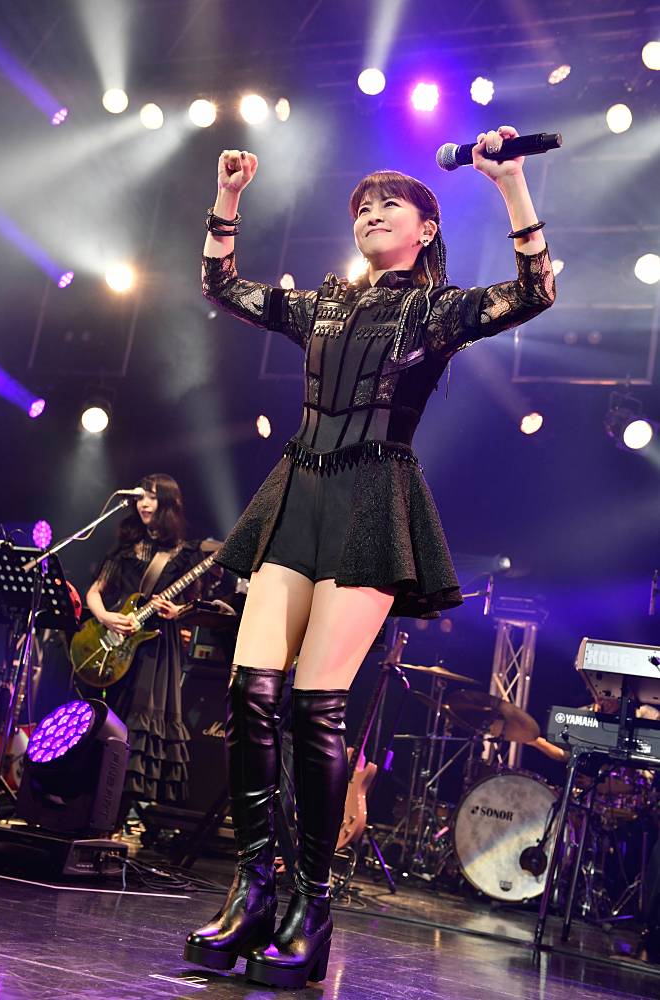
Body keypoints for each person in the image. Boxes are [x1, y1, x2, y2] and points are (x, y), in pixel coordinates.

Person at [184, 126, 556, 988]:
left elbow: (535, 291)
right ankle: (253, 888)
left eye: (391, 204)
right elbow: (221, 284)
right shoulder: (323, 303)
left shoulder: (436, 310)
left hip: (371, 502)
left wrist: (510, 185)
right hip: (297, 492)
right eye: (361, 206)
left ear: (426, 229)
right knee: (250, 693)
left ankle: (311, 907)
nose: (372, 213)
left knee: (316, 708)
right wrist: (229, 198)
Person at [85, 473, 206, 825]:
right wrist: (106, 617)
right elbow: (94, 591)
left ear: (167, 502)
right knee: (108, 716)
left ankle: (120, 815)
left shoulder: (186, 553)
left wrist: (178, 611)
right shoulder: (126, 547)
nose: (143, 502)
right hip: (116, 641)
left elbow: (196, 604)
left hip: (157, 647)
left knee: (138, 725)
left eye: (151, 496)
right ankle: (93, 808)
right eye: (141, 496)